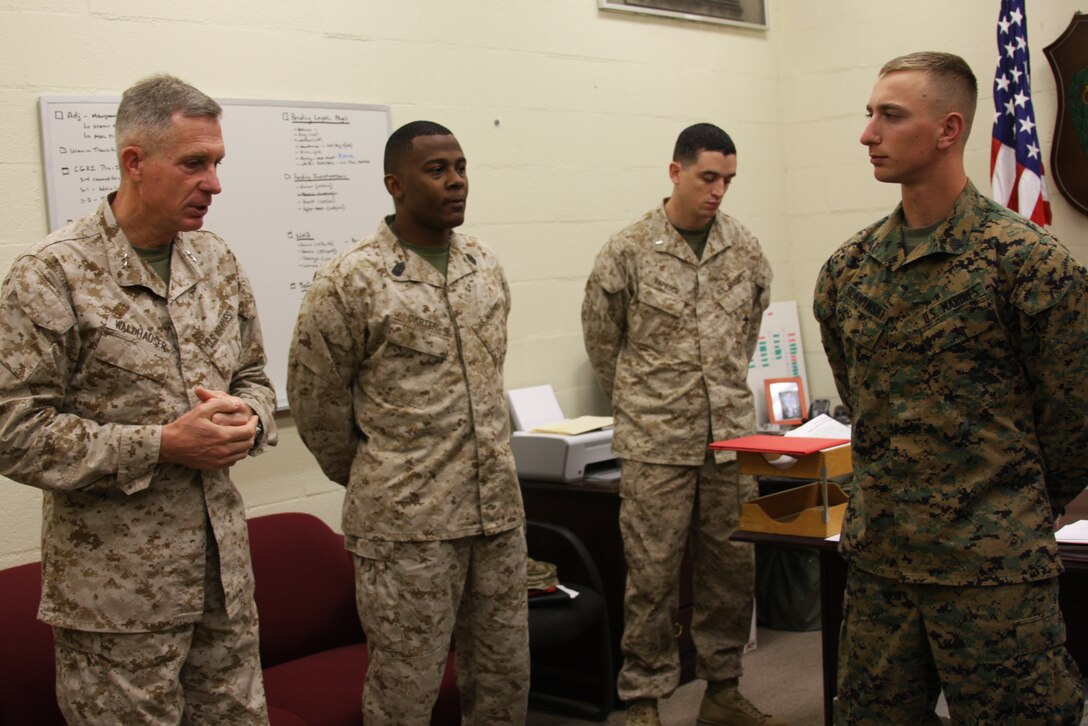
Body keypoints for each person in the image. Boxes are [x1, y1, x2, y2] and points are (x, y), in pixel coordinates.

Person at [814, 51, 1087, 724]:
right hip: (883, 570)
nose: (867, 134)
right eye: (869, 114)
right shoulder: (850, 269)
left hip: (993, 577)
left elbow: (1074, 424)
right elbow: (861, 400)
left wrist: (1004, 510)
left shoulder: (1028, 264)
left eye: (890, 115)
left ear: (948, 129)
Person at [0, 74, 277, 724]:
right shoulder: (52, 274)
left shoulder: (215, 262)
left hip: (222, 585)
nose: (213, 182)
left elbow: (257, 377)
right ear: (134, 162)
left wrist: (250, 420)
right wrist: (162, 443)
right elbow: (13, 431)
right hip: (117, 606)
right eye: (193, 163)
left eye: (216, 163)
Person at [287, 120, 529, 725]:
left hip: (495, 515)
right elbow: (316, 408)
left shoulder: (483, 265)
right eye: (437, 170)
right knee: (405, 690)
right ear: (395, 184)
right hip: (406, 530)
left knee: (505, 678)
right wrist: (386, 477)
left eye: (461, 167)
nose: (456, 182)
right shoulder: (351, 281)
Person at [582, 123, 783, 726]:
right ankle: (644, 699)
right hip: (655, 444)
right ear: (676, 172)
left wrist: (715, 392)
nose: (719, 191)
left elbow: (748, 329)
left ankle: (721, 690)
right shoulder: (628, 250)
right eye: (708, 177)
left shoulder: (743, 249)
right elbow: (602, 342)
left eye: (728, 180)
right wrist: (652, 401)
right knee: (651, 576)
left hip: (727, 440)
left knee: (730, 568)